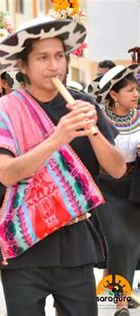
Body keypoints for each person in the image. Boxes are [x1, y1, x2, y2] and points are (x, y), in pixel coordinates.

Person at [0, 16, 126, 316]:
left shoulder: (83, 104)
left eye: (59, 56)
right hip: (25, 242)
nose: (54, 66)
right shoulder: (6, 110)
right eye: (43, 58)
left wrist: (95, 131)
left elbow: (117, 169)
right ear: (23, 66)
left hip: (75, 239)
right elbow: (6, 173)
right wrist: (57, 138)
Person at [94, 64, 139, 316]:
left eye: (136, 90)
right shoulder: (98, 118)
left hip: (133, 188)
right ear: (114, 94)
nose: (136, 94)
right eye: (130, 90)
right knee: (118, 240)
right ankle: (121, 302)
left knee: (130, 243)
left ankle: (122, 292)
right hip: (106, 188)